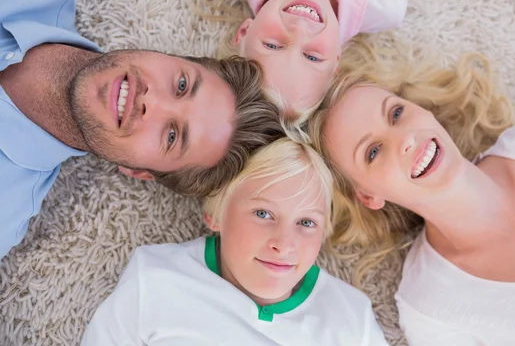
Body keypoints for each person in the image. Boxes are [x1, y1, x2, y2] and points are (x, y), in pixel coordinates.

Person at [0, 0, 284, 260]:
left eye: (173, 136)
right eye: (181, 84)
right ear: (168, 56)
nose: (152, 102)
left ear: (139, 173)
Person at [306, 51, 515, 345]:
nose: (406, 139)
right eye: (374, 151)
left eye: (396, 114)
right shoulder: (432, 309)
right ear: (368, 196)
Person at [80, 138, 389, 346]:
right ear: (217, 215)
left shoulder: (350, 319)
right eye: (263, 213)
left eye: (306, 222)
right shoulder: (155, 279)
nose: (284, 243)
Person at [206, 0, 408, 128]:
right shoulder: (384, 6)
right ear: (336, 62)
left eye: (273, 45)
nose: (300, 29)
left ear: (243, 33)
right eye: (312, 57)